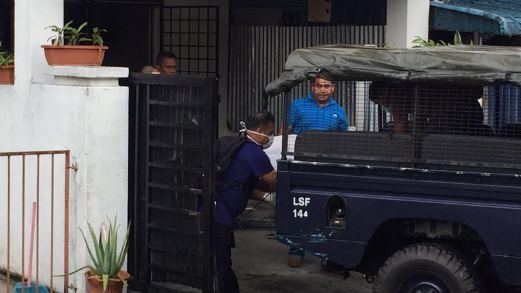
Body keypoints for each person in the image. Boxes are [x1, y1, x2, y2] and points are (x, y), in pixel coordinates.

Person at [286, 76, 348, 268]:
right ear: (312, 87)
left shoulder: (339, 111)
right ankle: (296, 248)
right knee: (300, 209)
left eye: (327, 86)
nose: (322, 90)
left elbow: (345, 141)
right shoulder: (297, 106)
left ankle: (327, 254)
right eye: (319, 86)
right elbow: (286, 132)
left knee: (327, 209)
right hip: (301, 167)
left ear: (333, 88)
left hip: (327, 169)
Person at [214, 112, 277, 293]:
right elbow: (273, 179)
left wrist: (264, 197)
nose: (270, 137)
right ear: (258, 131)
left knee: (217, 258)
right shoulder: (254, 153)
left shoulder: (237, 144)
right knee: (221, 262)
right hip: (220, 213)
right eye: (269, 132)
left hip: (215, 206)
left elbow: (241, 182)